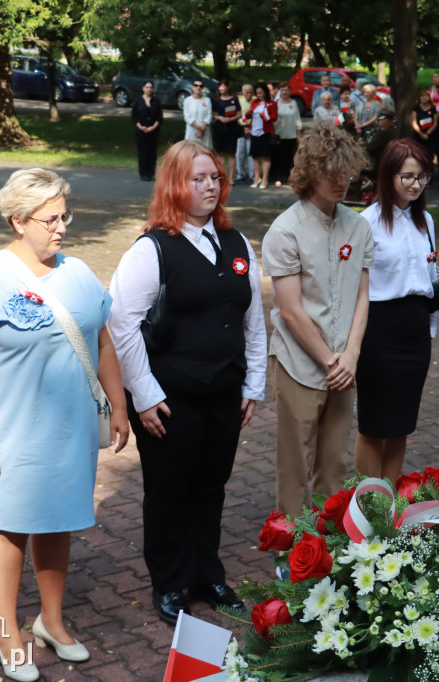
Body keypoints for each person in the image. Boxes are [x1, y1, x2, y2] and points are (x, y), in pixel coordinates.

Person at [0, 169, 130, 681]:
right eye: (49, 219)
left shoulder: (78, 273)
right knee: (8, 527)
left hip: (70, 430)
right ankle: (7, 630)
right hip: (12, 432)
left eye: (64, 216)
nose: (61, 227)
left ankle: (50, 621)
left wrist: (118, 405)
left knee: (58, 521)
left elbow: (102, 342)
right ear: (17, 221)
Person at [108, 141, 268, 626]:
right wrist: (145, 394)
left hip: (224, 393)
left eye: (215, 178)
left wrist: (253, 383)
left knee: (211, 486)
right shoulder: (151, 249)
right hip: (169, 400)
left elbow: (254, 320)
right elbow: (121, 324)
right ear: (175, 186)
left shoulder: (237, 244)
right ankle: (170, 581)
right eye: (197, 179)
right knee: (168, 490)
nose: (209, 187)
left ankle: (206, 575)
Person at [262, 125, 372, 525]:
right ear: (310, 172)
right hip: (299, 364)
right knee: (294, 466)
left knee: (334, 465)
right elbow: (289, 310)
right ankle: (288, 551)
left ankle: (331, 552)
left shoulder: (358, 227)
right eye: (333, 172)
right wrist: (330, 359)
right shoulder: (285, 229)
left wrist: (352, 355)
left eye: (348, 172)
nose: (343, 181)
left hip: (345, 364)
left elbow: (363, 295)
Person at [354, 139, 439, 483]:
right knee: (374, 425)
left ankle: (388, 505)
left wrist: (429, 328)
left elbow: (432, 277)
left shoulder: (426, 221)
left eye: (422, 177)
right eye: (407, 177)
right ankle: (365, 504)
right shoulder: (366, 223)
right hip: (379, 331)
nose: (416, 184)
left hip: (415, 333)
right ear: (387, 177)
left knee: (402, 423)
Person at [271, 83, 303, 186]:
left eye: (286, 90)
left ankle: (289, 177)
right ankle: (278, 178)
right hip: (278, 135)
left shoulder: (294, 103)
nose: (284, 92)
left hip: (291, 135)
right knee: (278, 157)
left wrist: (299, 135)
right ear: (279, 91)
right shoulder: (275, 103)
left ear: (289, 91)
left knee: (290, 158)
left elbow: (297, 120)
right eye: (282, 90)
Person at [131, 81, 163, 182]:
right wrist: (140, 126)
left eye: (151, 87)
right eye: (147, 87)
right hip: (141, 131)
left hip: (153, 131)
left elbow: (159, 117)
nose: (149, 89)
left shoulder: (156, 101)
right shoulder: (138, 101)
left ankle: (151, 173)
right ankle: (143, 173)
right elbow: (134, 117)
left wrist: (153, 127)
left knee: (152, 152)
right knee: (143, 152)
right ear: (143, 88)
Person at [249, 82, 278, 189]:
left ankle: (264, 179)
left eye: (261, 93)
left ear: (265, 92)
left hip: (265, 132)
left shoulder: (272, 103)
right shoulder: (254, 102)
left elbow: (274, 118)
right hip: (254, 132)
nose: (259, 95)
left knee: (266, 156)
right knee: (255, 156)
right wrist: (248, 113)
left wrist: (264, 116)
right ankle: (257, 178)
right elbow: (248, 116)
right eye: (257, 93)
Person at [212, 81, 243, 179]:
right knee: (220, 152)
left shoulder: (234, 99)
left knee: (231, 152)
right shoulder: (216, 100)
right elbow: (213, 115)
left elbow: (240, 113)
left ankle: (230, 176)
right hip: (220, 128)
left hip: (232, 128)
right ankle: (222, 175)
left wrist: (231, 119)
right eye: (220, 87)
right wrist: (220, 118)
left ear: (228, 87)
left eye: (223, 86)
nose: (221, 89)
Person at [411, 89, 439, 172]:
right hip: (418, 135)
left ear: (429, 97)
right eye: (422, 96)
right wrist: (421, 134)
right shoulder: (416, 108)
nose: (423, 98)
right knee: (418, 154)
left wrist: (427, 134)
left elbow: (435, 123)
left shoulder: (433, 108)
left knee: (429, 154)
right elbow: (414, 123)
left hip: (430, 136)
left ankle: (429, 173)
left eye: (425, 96)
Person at [183, 79, 212, 147]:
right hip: (192, 129)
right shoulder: (187, 100)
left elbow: (209, 115)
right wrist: (199, 128)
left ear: (202, 88)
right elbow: (187, 117)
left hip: (205, 130)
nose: (198, 87)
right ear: (192, 87)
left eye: (200, 86)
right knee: (190, 150)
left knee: (205, 150)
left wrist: (203, 128)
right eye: (196, 85)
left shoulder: (207, 100)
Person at [236, 84, 255, 182]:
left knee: (251, 153)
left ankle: (253, 175)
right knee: (240, 152)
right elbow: (237, 116)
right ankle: (241, 173)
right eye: (247, 92)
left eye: (251, 92)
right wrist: (242, 127)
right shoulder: (239, 101)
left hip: (252, 128)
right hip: (241, 128)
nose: (249, 94)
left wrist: (251, 128)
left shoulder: (255, 101)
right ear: (243, 92)